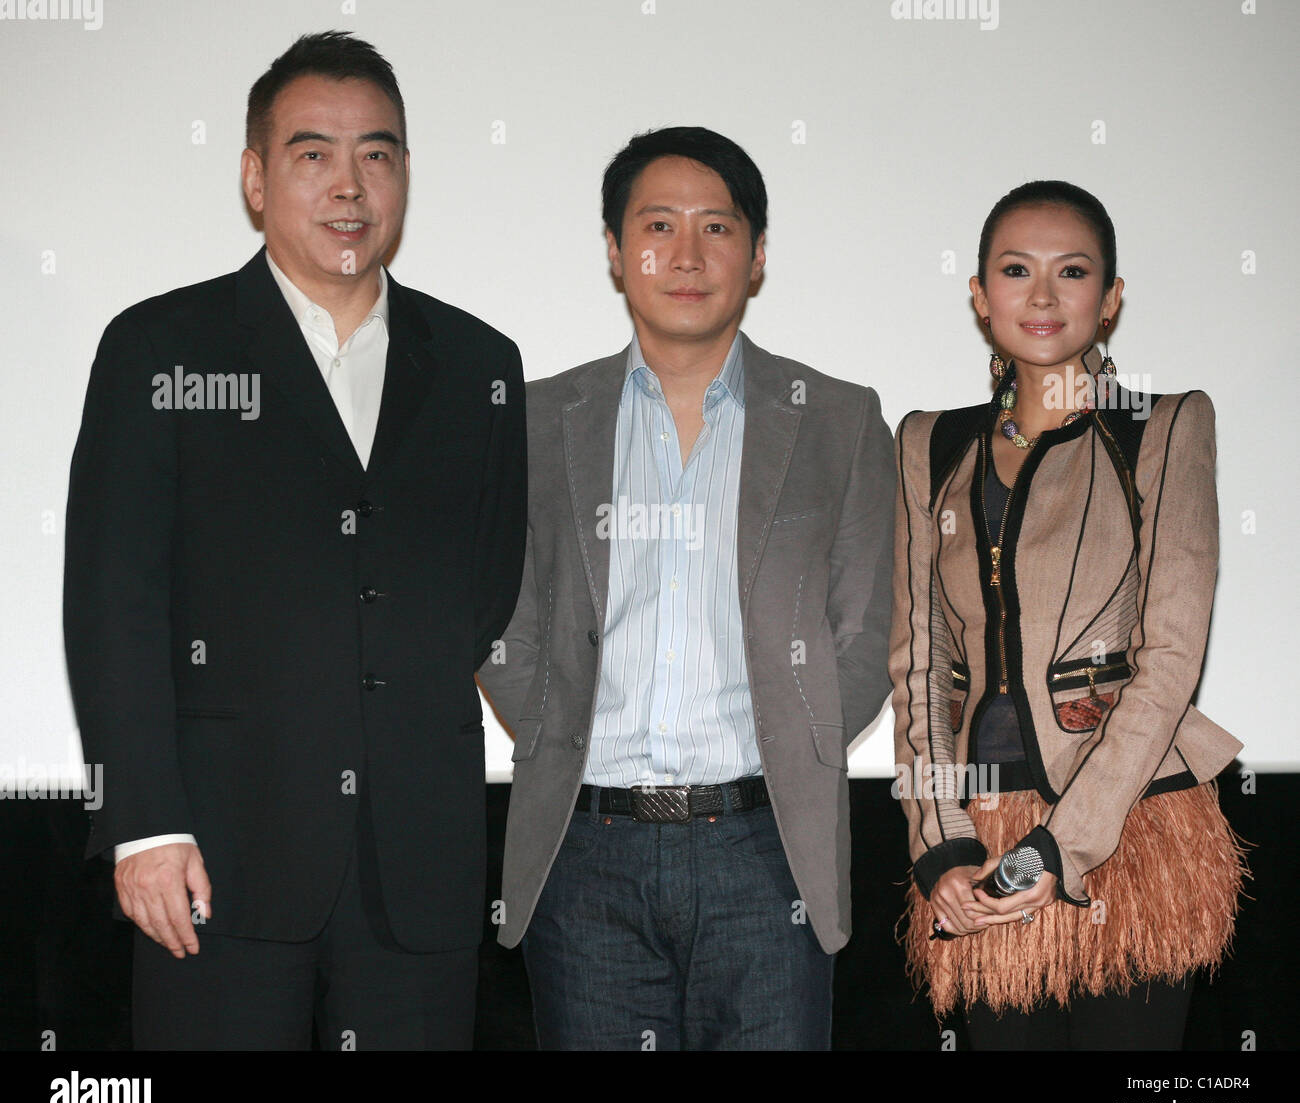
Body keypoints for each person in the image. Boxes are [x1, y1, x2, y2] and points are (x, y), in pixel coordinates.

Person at [62, 31, 526, 1049]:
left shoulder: (480, 364)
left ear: (405, 174)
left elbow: (485, 590)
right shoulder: (161, 349)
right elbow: (114, 602)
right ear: (255, 178)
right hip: (215, 857)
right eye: (313, 153)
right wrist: (144, 822)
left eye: (378, 153)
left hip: (421, 860)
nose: (348, 184)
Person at [476, 126, 895, 1050]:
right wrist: (547, 727)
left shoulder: (837, 418)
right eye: (658, 225)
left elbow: (868, 632)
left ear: (755, 256)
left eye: (718, 227)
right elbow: (500, 613)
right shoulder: (541, 420)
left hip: (767, 845)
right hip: (586, 850)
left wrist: (802, 736)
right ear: (618, 253)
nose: (688, 254)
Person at [889, 180, 1245, 1050]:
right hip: (983, 830)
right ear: (979, 295)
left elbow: (1170, 660)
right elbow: (920, 667)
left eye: (1072, 271)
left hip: (1134, 823)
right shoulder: (931, 441)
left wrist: (1060, 847)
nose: (1042, 297)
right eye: (1015, 270)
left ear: (1111, 297)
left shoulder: (1160, 427)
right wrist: (939, 844)